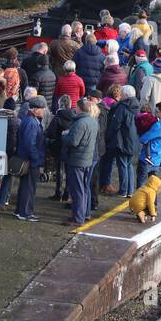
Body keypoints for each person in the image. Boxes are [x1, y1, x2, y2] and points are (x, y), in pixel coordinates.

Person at [62, 97, 100, 227]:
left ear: (79, 108)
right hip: (88, 159)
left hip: (77, 160)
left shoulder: (80, 123)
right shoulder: (94, 122)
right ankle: (82, 214)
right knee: (83, 189)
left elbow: (73, 142)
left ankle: (78, 218)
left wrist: (65, 135)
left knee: (77, 190)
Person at [15, 97, 46, 222]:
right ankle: (25, 212)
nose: (43, 111)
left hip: (26, 159)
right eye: (42, 109)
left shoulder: (28, 120)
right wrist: (36, 158)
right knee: (29, 187)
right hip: (30, 161)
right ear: (35, 109)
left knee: (24, 186)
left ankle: (20, 210)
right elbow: (30, 144)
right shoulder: (32, 123)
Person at [138, 101, 161, 183]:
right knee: (152, 184)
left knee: (141, 182)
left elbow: (144, 138)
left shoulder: (158, 125)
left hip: (147, 157)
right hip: (157, 157)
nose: (155, 113)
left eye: (157, 112)